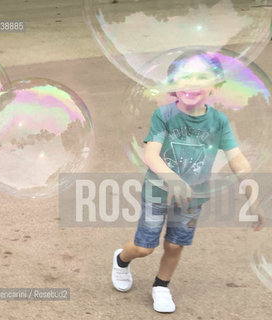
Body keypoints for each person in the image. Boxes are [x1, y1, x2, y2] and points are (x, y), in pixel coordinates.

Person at [111, 50, 262, 313]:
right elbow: (151, 154)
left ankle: (161, 286)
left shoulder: (218, 120)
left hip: (193, 197)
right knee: (144, 247)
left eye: (201, 76)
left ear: (215, 84)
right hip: (158, 192)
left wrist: (254, 199)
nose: (191, 82)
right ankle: (121, 260)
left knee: (175, 244)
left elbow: (237, 159)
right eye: (183, 76)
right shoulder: (165, 115)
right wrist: (174, 180)